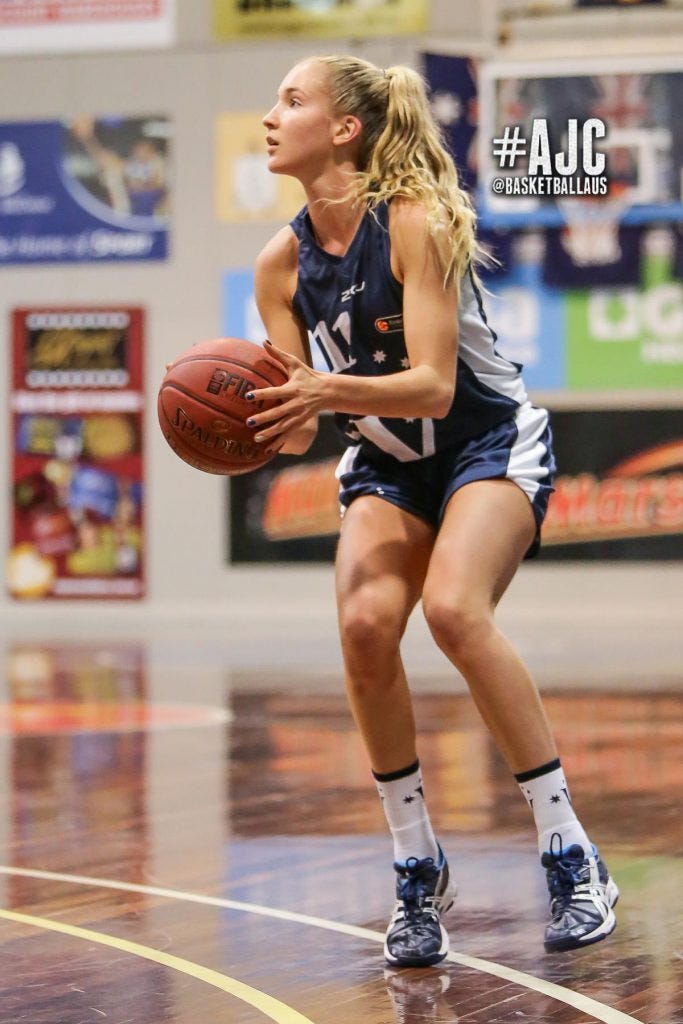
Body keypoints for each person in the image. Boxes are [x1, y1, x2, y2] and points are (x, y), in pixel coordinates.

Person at [246, 54, 619, 968]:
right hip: (387, 461)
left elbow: (435, 386)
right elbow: (299, 436)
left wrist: (320, 390)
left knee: (454, 611)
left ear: (343, 129)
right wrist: (243, 419)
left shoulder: (415, 220)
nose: (269, 116)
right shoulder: (278, 266)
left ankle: (570, 851)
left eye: (291, 101)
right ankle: (417, 864)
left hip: (486, 440)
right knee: (366, 628)